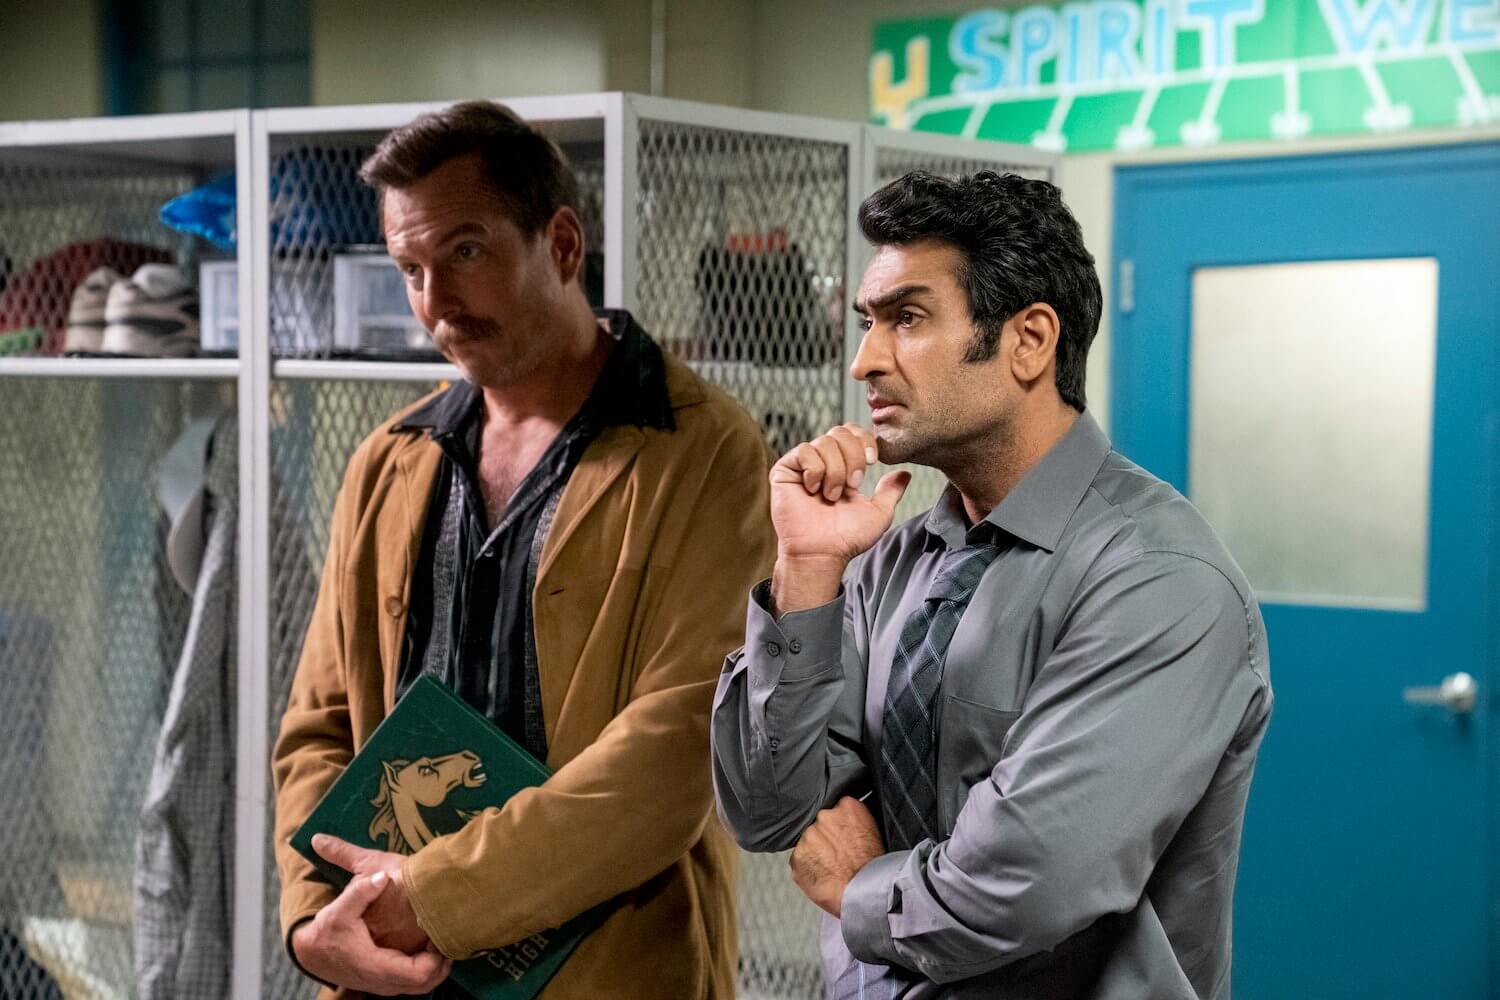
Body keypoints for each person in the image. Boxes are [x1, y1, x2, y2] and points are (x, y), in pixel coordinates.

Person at [711, 170, 1272, 999]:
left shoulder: (1157, 580)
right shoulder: (892, 565)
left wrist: (859, 887)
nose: (865, 360)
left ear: (1029, 341)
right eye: (868, 322)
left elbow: (1023, 886)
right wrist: (806, 572)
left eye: (907, 318)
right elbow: (767, 809)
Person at [272, 101, 775, 999]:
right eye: (410, 269)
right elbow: (320, 724)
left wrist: (434, 896)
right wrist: (315, 923)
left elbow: (674, 751)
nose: (435, 302)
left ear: (564, 245)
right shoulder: (390, 461)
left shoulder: (706, 453)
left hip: (610, 970)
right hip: (389, 969)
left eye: (465, 251)